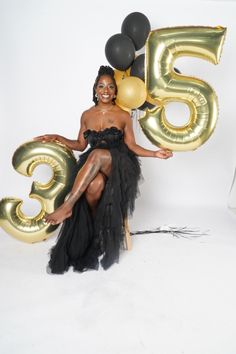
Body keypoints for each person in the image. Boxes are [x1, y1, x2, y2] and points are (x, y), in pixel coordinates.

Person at [35, 65, 173, 274]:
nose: (106, 90)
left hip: (120, 164)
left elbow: (132, 146)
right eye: (101, 86)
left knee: (97, 154)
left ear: (116, 91)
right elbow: (81, 145)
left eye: (110, 86)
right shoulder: (86, 115)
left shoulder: (123, 115)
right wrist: (57, 137)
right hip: (93, 166)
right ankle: (94, 232)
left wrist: (155, 153)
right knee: (95, 185)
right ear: (95, 90)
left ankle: (68, 205)